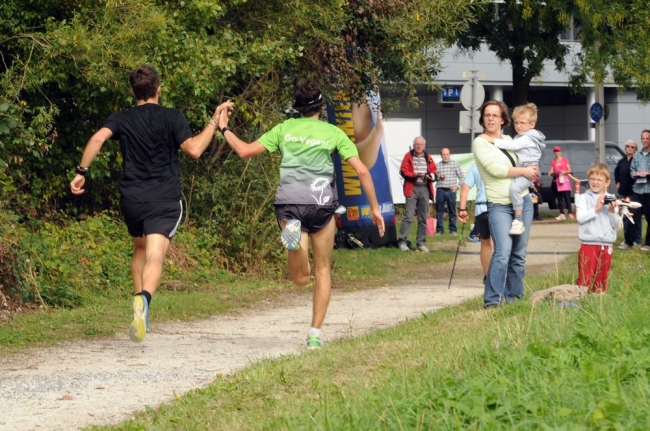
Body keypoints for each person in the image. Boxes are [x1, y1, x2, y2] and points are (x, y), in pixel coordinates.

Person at [217, 79, 385, 349]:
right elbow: (362, 170)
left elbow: (244, 151)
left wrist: (224, 127)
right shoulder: (333, 133)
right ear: (321, 105)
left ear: (296, 107)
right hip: (321, 205)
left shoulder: (285, 128)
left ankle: (295, 244)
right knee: (323, 270)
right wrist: (375, 208)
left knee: (299, 279)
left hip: (290, 204)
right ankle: (314, 334)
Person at [70, 66, 229, 342]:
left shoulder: (121, 118)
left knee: (140, 248)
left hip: (132, 199)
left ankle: (138, 311)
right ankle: (144, 299)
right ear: (159, 89)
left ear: (133, 91)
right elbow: (194, 149)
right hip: (164, 199)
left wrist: (81, 172)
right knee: (155, 254)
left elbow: (97, 138)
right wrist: (214, 122)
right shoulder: (172, 116)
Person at [474, 100, 538, 308]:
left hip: (523, 201)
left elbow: (526, 158)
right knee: (502, 252)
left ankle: (514, 299)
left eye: (495, 115)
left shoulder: (511, 139)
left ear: (503, 119)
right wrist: (525, 171)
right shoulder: (480, 143)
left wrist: (532, 169)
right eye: (487, 115)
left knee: (518, 254)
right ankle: (492, 300)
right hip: (499, 204)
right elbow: (496, 170)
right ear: (483, 119)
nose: (491, 118)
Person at [490, 103, 546, 235]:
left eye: (522, 123)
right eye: (516, 123)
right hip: (524, 169)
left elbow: (514, 146)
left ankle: (518, 220)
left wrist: (493, 141)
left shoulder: (527, 138)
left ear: (532, 124)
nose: (518, 126)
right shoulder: (523, 136)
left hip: (528, 171)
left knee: (514, 188)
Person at [575, 163, 620, 293]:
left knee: (602, 278)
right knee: (585, 276)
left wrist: (612, 211)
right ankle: (580, 298)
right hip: (589, 243)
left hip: (606, 243)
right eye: (592, 179)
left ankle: (599, 300)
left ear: (607, 182)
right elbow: (580, 218)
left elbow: (616, 225)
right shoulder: (583, 198)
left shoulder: (611, 198)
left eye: (599, 180)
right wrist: (596, 208)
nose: (595, 182)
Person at [397, 136, 437, 252]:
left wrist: (430, 176)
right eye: (417, 144)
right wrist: (415, 175)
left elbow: (434, 172)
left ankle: (421, 243)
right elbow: (403, 171)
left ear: (424, 146)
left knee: (423, 218)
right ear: (413, 145)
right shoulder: (408, 156)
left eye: (421, 144)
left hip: (424, 188)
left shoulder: (428, 158)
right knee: (408, 216)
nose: (419, 146)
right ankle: (402, 241)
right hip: (412, 187)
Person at [458, 163, 492, 284]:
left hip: (481, 209)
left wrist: (462, 209)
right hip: (498, 207)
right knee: (497, 244)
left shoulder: (476, 165)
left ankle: (487, 275)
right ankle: (496, 275)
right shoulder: (500, 161)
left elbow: (465, 187)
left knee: (485, 243)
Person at [616, 139, 641, 249]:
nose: (630, 148)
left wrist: (636, 184)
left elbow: (639, 174)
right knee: (625, 217)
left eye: (632, 147)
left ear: (635, 149)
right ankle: (627, 239)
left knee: (635, 217)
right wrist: (617, 182)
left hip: (633, 193)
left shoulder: (637, 161)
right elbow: (616, 172)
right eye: (628, 146)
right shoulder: (622, 161)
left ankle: (637, 239)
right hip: (622, 192)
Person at [435, 148, 464, 235]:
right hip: (440, 190)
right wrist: (440, 177)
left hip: (451, 191)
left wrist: (457, 187)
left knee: (452, 211)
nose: (445, 156)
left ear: (450, 154)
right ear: (441, 155)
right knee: (439, 211)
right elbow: (433, 178)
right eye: (443, 154)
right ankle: (439, 230)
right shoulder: (437, 165)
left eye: (447, 154)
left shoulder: (455, 164)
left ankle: (453, 230)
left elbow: (462, 177)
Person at [631, 129, 650, 252]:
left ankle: (648, 244)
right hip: (637, 191)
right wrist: (635, 174)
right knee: (633, 216)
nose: (645, 140)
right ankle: (633, 241)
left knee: (649, 218)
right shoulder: (637, 155)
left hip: (649, 191)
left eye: (647, 138)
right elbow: (632, 169)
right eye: (643, 138)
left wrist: (648, 173)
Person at [549, 145, 574, 220]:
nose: (556, 153)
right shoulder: (553, 162)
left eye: (558, 151)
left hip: (565, 181)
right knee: (559, 199)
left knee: (567, 198)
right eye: (555, 151)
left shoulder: (565, 160)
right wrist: (554, 173)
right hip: (557, 182)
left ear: (560, 152)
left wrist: (563, 172)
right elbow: (551, 172)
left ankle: (570, 212)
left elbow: (569, 170)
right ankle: (562, 213)